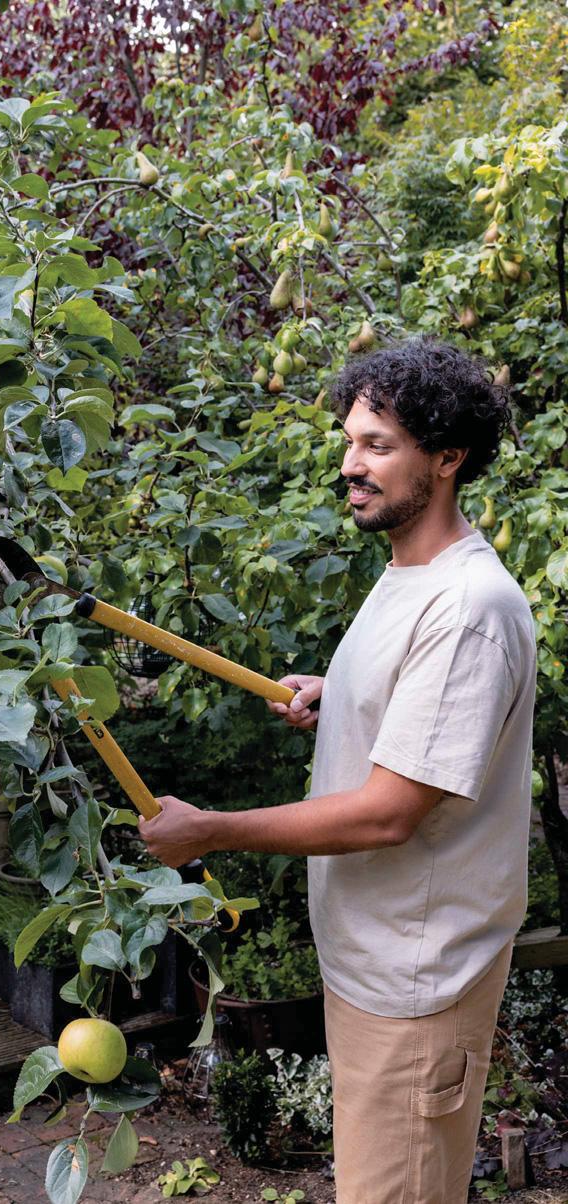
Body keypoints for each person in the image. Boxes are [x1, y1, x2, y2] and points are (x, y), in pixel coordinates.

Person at [138, 336, 537, 1204]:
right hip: (375, 965)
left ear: (448, 457)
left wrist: (211, 830)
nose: (351, 466)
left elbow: (390, 813)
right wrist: (341, 691)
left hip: (417, 984)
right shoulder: (409, 573)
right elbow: (417, 716)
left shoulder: (467, 608)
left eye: (378, 446)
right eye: (350, 442)